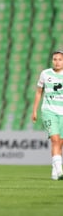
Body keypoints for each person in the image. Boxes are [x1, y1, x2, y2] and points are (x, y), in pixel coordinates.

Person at [32, 50, 63, 180]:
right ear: (52, 60)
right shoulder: (45, 74)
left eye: (60, 59)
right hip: (49, 111)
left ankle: (54, 170)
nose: (57, 62)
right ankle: (60, 171)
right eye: (55, 59)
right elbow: (39, 92)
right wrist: (34, 110)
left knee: (60, 142)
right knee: (55, 140)